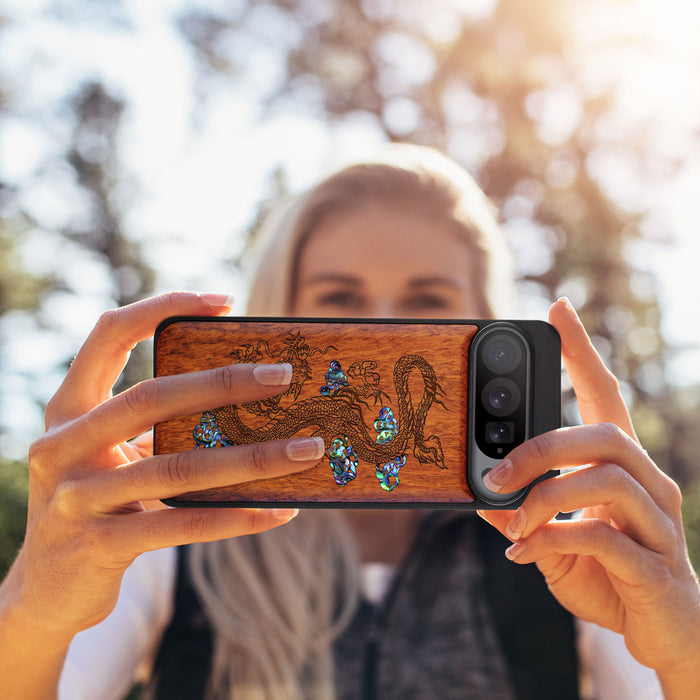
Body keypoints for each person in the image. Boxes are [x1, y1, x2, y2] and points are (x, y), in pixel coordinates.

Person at [0, 145, 698, 700]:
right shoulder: (171, 536)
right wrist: (34, 607)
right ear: (279, 314)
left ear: (486, 324)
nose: (384, 329)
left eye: (427, 301)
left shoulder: (567, 544)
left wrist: (685, 648)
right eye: (340, 299)